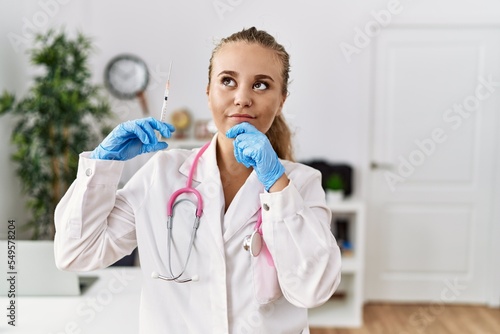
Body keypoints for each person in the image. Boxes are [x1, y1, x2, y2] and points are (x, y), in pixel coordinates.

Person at [54, 27, 341, 333]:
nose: (242, 98)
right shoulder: (162, 174)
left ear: (281, 100)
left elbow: (314, 290)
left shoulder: (301, 183)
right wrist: (102, 164)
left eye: (260, 85)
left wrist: (277, 185)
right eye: (227, 81)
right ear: (208, 93)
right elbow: (76, 254)